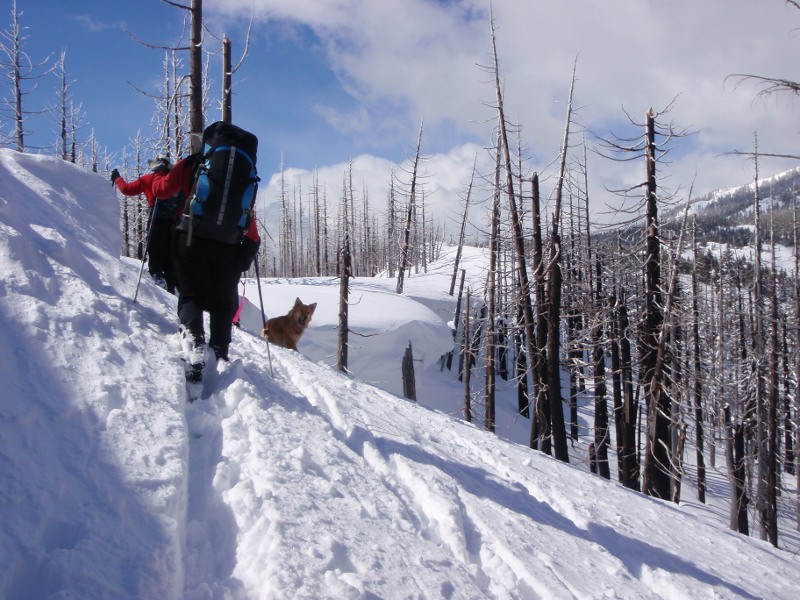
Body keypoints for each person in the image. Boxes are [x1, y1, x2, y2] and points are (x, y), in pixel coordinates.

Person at [151, 153, 260, 373]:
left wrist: (157, 178)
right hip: (229, 245)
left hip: (191, 238)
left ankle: (194, 341)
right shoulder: (243, 172)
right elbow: (249, 221)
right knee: (221, 302)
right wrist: (246, 253)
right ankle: (220, 354)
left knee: (191, 294)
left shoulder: (192, 163)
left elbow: (161, 190)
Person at [111, 155, 180, 293]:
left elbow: (127, 189)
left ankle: (158, 279)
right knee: (170, 256)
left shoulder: (150, 179)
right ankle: (171, 287)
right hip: (174, 224)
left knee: (155, 251)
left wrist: (117, 178)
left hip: (156, 221)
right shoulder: (174, 180)